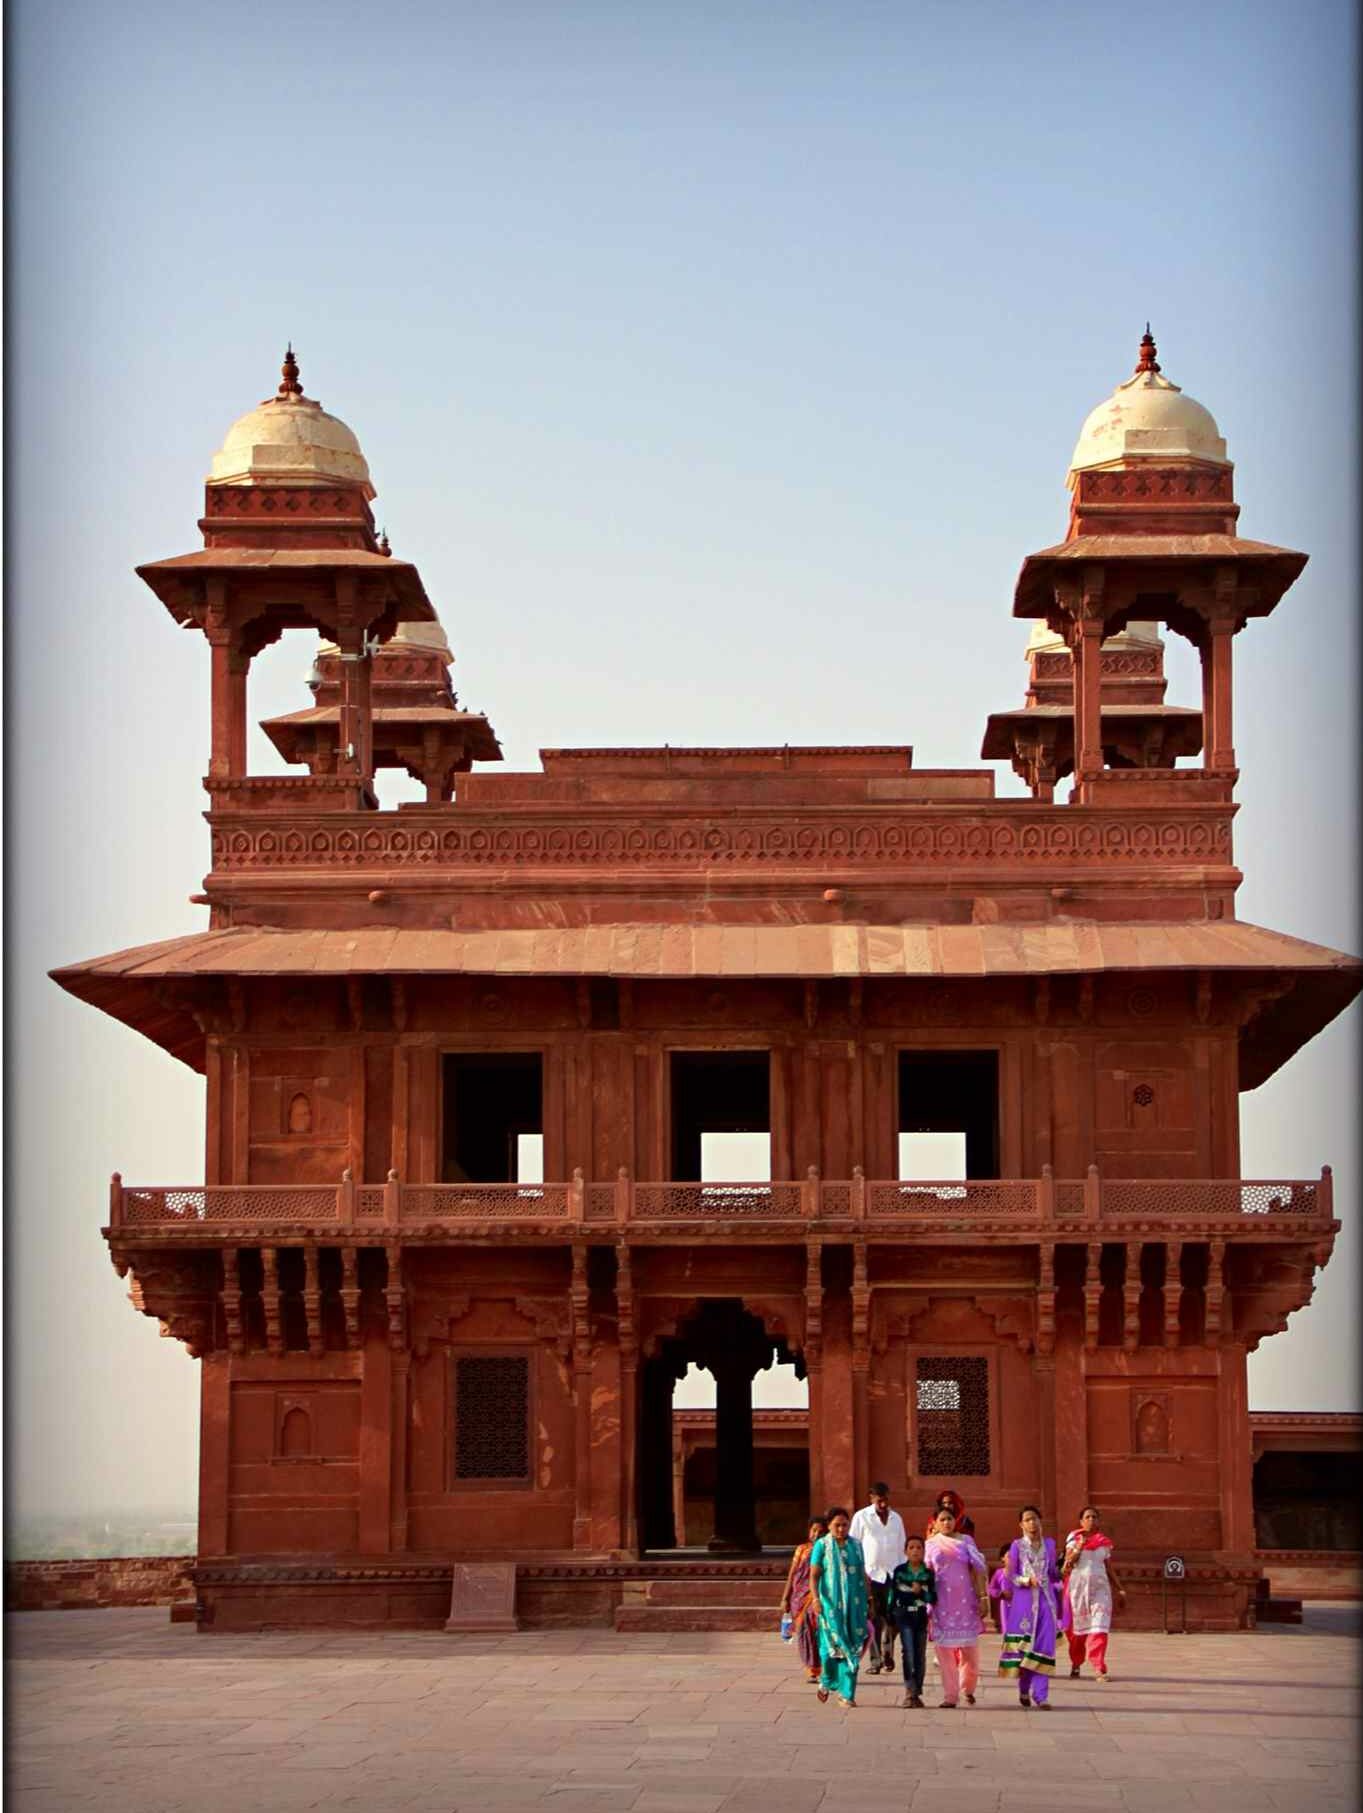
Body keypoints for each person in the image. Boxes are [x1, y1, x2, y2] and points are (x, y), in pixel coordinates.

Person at [924, 1503, 990, 1708]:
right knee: (944, 1653)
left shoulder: (966, 1541)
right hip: (941, 1603)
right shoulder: (930, 1544)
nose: (946, 1523)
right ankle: (950, 1696)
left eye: (950, 1519)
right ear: (935, 1523)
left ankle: (967, 1689)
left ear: (956, 1521)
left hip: (966, 1602)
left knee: (970, 1652)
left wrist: (984, 1597)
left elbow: (980, 1569)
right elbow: (926, 1573)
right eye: (942, 1519)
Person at [998, 1506, 1064, 1710]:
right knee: (1025, 1647)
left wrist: (1063, 1569)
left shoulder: (1050, 1544)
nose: (1032, 1523)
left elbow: (1053, 1572)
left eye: (1035, 1518)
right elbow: (1011, 1575)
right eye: (1027, 1520)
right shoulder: (1017, 1546)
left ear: (1040, 1521)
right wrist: (1027, 1580)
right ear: (1021, 1524)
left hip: (1047, 1602)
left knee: (1044, 1647)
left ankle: (1041, 1696)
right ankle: (1024, 1687)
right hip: (1024, 1602)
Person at [810, 1507, 869, 1708]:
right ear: (829, 1526)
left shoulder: (857, 1545)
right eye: (837, 1525)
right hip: (830, 1606)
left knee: (852, 1647)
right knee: (829, 1651)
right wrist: (815, 1599)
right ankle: (827, 1680)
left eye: (845, 1525)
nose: (842, 1529)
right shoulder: (822, 1546)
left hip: (855, 1606)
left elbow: (862, 1574)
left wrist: (869, 1600)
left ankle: (847, 1694)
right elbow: (814, 1575)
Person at [849, 1482, 907, 1675]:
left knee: (893, 1617)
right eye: (879, 1499)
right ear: (871, 1498)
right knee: (873, 1619)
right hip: (870, 1575)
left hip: (892, 1575)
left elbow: (902, 1548)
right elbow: (854, 1545)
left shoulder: (896, 1518)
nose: (882, 1504)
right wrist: (857, 1572)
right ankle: (875, 1661)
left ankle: (888, 1652)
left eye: (885, 1499)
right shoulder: (862, 1517)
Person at [1062, 1505, 1126, 1680]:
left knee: (1099, 1627)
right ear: (1081, 1521)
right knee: (1077, 1632)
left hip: (1100, 1589)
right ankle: (1076, 1662)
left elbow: (1109, 1568)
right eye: (1088, 1517)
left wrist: (1120, 1588)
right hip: (1077, 1589)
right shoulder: (1074, 1538)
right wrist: (1080, 1546)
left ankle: (1099, 1667)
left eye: (1094, 1517)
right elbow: (1069, 1562)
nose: (1091, 1520)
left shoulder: (1104, 1542)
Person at [886, 1532, 936, 1708]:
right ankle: (909, 1690)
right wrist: (889, 1616)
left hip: (920, 1616)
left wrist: (921, 1592)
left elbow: (933, 1597)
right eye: (911, 1547)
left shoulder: (928, 1573)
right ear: (905, 1551)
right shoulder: (900, 1571)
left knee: (920, 1655)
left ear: (923, 1551)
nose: (915, 1551)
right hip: (903, 1615)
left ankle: (917, 1692)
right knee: (908, 1651)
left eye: (919, 1548)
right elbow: (894, 1593)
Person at [779, 1516, 828, 1684]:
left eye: (821, 1532)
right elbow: (793, 1573)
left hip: (817, 1595)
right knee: (803, 1633)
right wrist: (785, 1597)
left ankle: (822, 1667)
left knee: (819, 1632)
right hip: (798, 1597)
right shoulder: (801, 1550)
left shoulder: (827, 1550)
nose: (816, 1534)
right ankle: (812, 1669)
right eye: (814, 1530)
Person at [987, 1543, 1012, 1632]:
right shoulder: (999, 1573)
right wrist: (1001, 1593)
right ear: (1002, 1558)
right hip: (1006, 1606)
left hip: (1021, 1605)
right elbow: (991, 1589)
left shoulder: (1023, 1573)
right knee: (1008, 1632)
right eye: (1009, 1556)